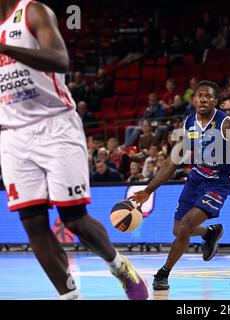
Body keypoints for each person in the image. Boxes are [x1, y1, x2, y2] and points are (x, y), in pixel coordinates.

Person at [0, 0, 148, 300]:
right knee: (33, 224)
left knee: (74, 218)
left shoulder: (32, 11)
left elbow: (59, 59)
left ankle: (120, 267)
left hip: (55, 125)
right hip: (13, 135)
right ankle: (69, 296)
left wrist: (5, 49)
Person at [130, 80, 230, 290]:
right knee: (178, 230)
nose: (204, 99)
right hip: (197, 178)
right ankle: (209, 233)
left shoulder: (226, 124)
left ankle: (163, 274)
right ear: (193, 99)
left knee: (186, 226)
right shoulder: (188, 123)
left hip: (219, 183)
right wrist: (148, 190)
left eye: (209, 96)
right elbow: (172, 161)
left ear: (216, 101)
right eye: (200, 95)